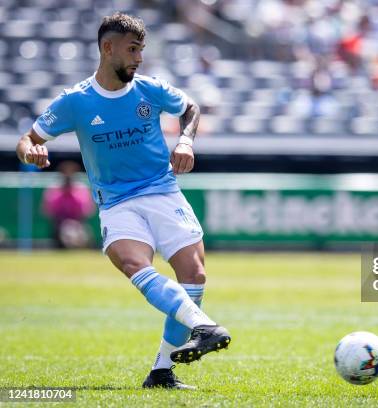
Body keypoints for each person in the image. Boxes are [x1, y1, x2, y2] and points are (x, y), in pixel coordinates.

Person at [15, 13, 230, 390]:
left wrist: (185, 140)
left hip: (163, 192)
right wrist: (30, 151)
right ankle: (203, 326)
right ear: (107, 48)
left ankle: (162, 372)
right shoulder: (75, 102)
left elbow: (190, 109)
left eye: (141, 50)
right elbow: (27, 138)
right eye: (132, 50)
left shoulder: (149, 89)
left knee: (194, 276)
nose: (139, 58)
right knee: (133, 262)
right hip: (117, 203)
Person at [42, 160, 95, 249]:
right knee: (68, 232)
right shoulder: (53, 191)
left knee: (81, 235)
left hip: (79, 225)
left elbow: (88, 212)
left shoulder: (82, 190)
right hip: (59, 226)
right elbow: (47, 212)